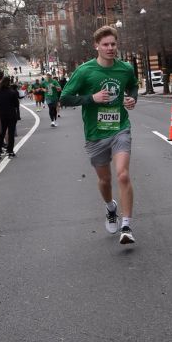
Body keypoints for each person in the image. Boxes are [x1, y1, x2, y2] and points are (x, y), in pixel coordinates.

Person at [60, 25, 139, 245]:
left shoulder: (125, 69)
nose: (110, 48)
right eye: (105, 44)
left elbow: (133, 87)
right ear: (97, 46)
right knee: (105, 180)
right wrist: (91, 99)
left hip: (120, 128)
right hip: (95, 134)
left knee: (122, 174)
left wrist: (133, 99)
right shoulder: (85, 71)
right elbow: (65, 98)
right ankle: (111, 207)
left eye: (113, 44)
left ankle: (126, 225)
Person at [0, 76, 20, 159]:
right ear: (9, 83)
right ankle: (10, 151)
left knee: (2, 133)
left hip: (2, 115)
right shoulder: (12, 92)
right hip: (11, 114)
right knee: (11, 134)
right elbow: (16, 104)